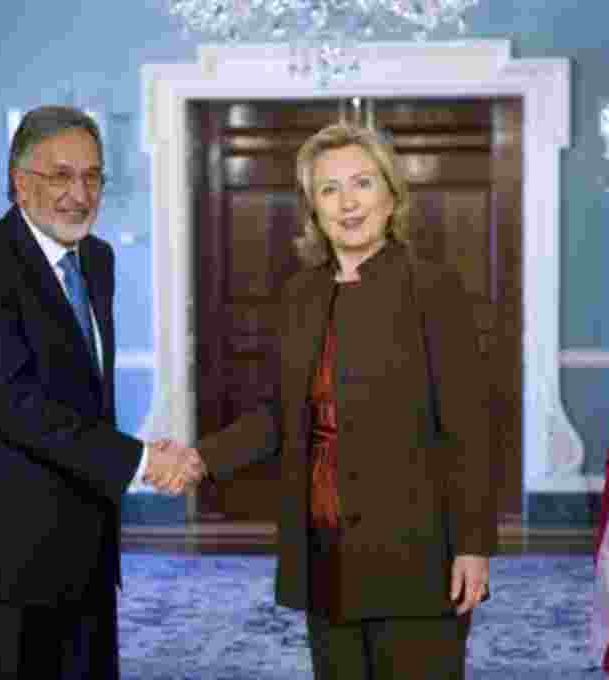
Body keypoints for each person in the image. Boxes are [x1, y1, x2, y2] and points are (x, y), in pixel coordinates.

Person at [151, 123, 496, 679]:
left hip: (416, 553)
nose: (348, 202)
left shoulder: (433, 288)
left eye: (362, 182)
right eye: (330, 189)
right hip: (325, 551)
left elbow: (469, 427)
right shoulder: (300, 295)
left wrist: (473, 546)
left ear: (391, 194)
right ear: (313, 207)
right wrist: (198, 459)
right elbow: (278, 417)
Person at [0, 105, 201, 680]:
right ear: (19, 182)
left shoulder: (96, 260)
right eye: (60, 175)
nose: (79, 194)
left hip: (87, 549)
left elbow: (84, 396)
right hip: (6, 559)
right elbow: (14, 404)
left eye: (92, 176)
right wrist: (140, 461)